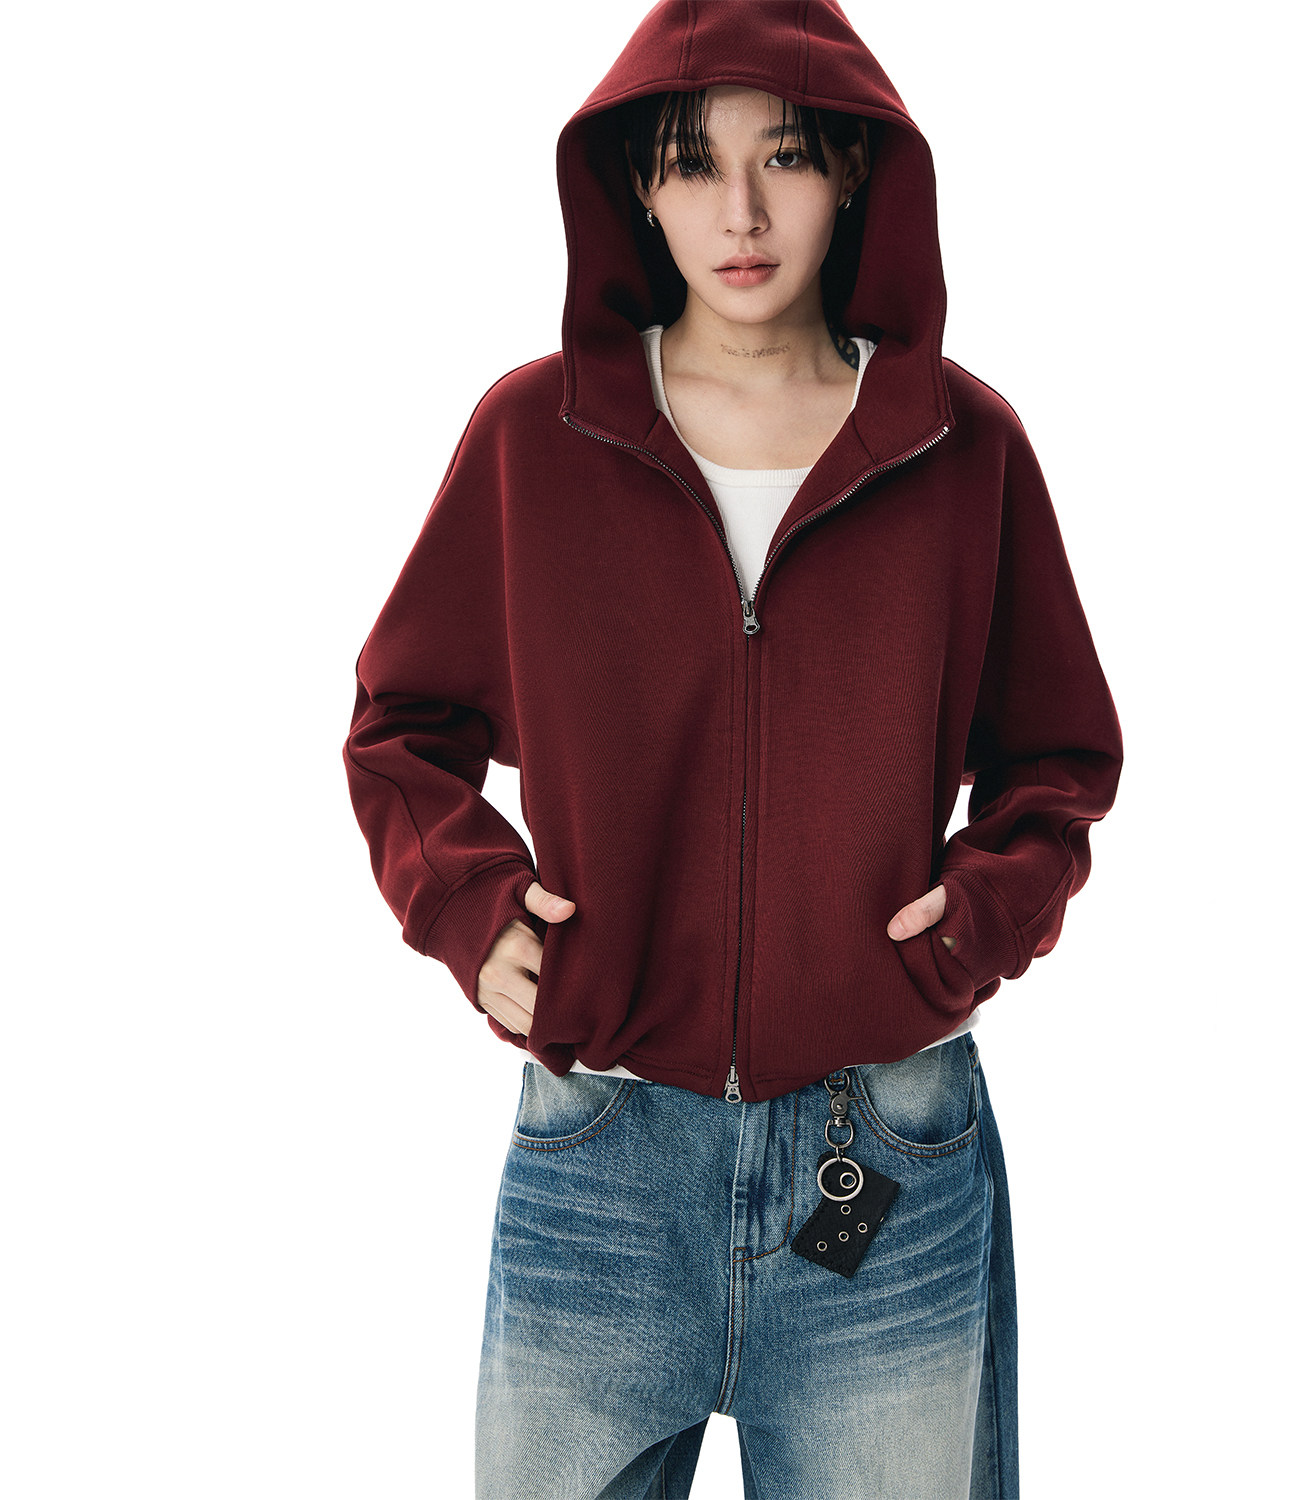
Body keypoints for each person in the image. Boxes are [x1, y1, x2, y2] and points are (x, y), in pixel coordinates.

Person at [342, 2, 1122, 1495]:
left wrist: (978, 921)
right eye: (696, 164)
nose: (743, 214)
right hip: (603, 1153)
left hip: (880, 1153)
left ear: (855, 169)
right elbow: (401, 727)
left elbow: (1058, 757)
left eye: (788, 157)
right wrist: (469, 907)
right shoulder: (537, 439)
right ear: (639, 184)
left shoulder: (963, 448)